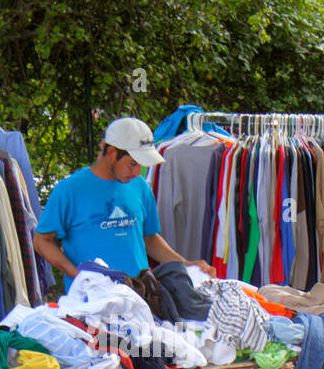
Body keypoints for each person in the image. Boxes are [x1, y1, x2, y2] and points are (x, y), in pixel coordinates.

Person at [33, 117, 214, 281]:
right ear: (111, 153)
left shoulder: (140, 187)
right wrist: (78, 275)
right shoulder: (70, 190)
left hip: (140, 296)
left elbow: (149, 238)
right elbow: (42, 241)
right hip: (90, 303)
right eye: (132, 163)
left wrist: (184, 265)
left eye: (140, 165)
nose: (137, 172)